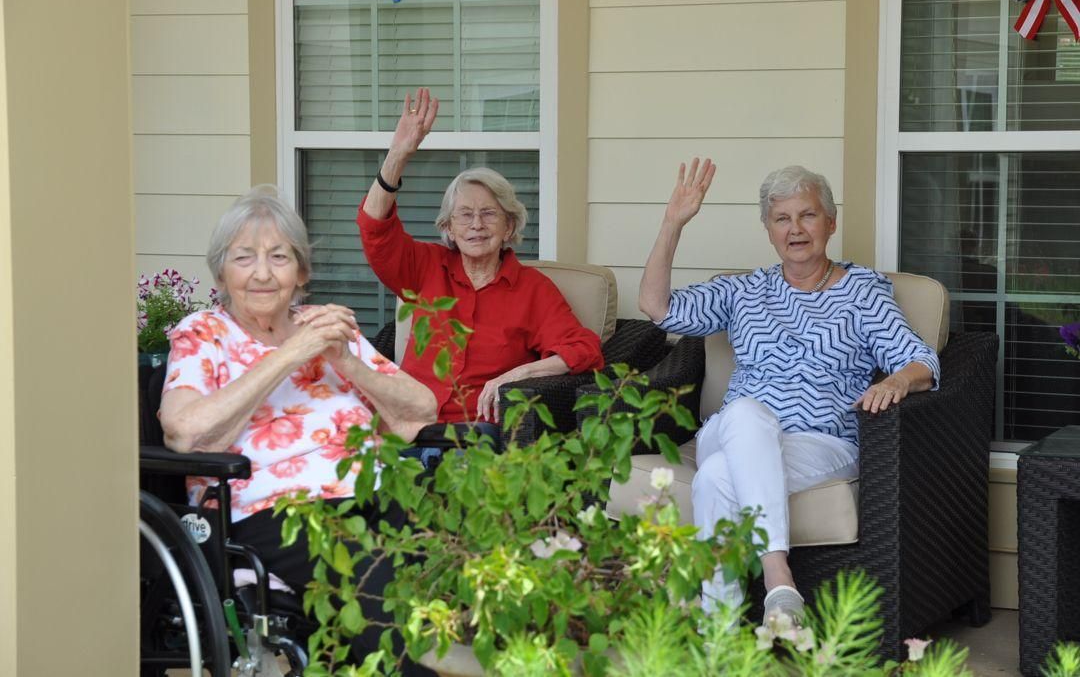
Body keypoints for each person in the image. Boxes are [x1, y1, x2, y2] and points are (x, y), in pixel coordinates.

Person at [638, 161, 940, 622]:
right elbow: (656, 307)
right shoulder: (744, 290)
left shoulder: (863, 292)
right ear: (768, 230)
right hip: (735, 428)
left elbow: (922, 362)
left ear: (831, 223)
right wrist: (672, 223)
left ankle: (717, 636)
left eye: (808, 216)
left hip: (821, 442)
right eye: (782, 219)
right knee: (744, 415)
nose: (795, 229)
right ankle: (779, 578)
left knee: (716, 477)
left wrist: (897, 379)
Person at [158, 185, 438, 672]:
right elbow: (185, 433)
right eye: (245, 257)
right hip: (279, 513)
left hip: (377, 491)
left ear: (301, 272)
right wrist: (288, 354)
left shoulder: (323, 326)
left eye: (279, 257)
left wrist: (346, 361)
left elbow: (421, 411)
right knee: (385, 595)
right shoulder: (204, 333)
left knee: (458, 570)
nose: (263, 273)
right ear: (222, 271)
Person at [357, 88, 604, 424]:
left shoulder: (533, 289)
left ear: (509, 226)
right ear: (448, 226)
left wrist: (519, 374)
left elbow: (583, 349)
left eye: (489, 213)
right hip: (407, 424)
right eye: (465, 215)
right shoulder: (425, 267)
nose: (477, 225)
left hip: (480, 435)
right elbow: (374, 228)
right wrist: (398, 155)